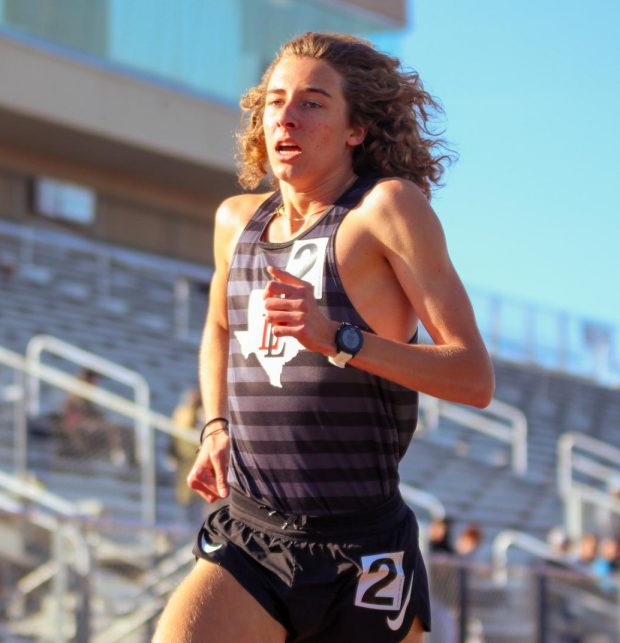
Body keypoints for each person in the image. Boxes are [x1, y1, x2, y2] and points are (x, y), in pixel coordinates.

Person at [154, 32, 494, 643]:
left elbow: (473, 376)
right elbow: (218, 327)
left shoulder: (386, 210)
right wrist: (215, 427)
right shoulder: (236, 221)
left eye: (313, 102)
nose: (286, 116)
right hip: (253, 536)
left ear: (355, 129)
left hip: (363, 552)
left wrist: (339, 337)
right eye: (276, 100)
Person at [170, 388, 204, 526]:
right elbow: (177, 434)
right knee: (185, 495)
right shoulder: (184, 412)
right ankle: (186, 526)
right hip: (186, 458)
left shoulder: (204, 413)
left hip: (200, 459)